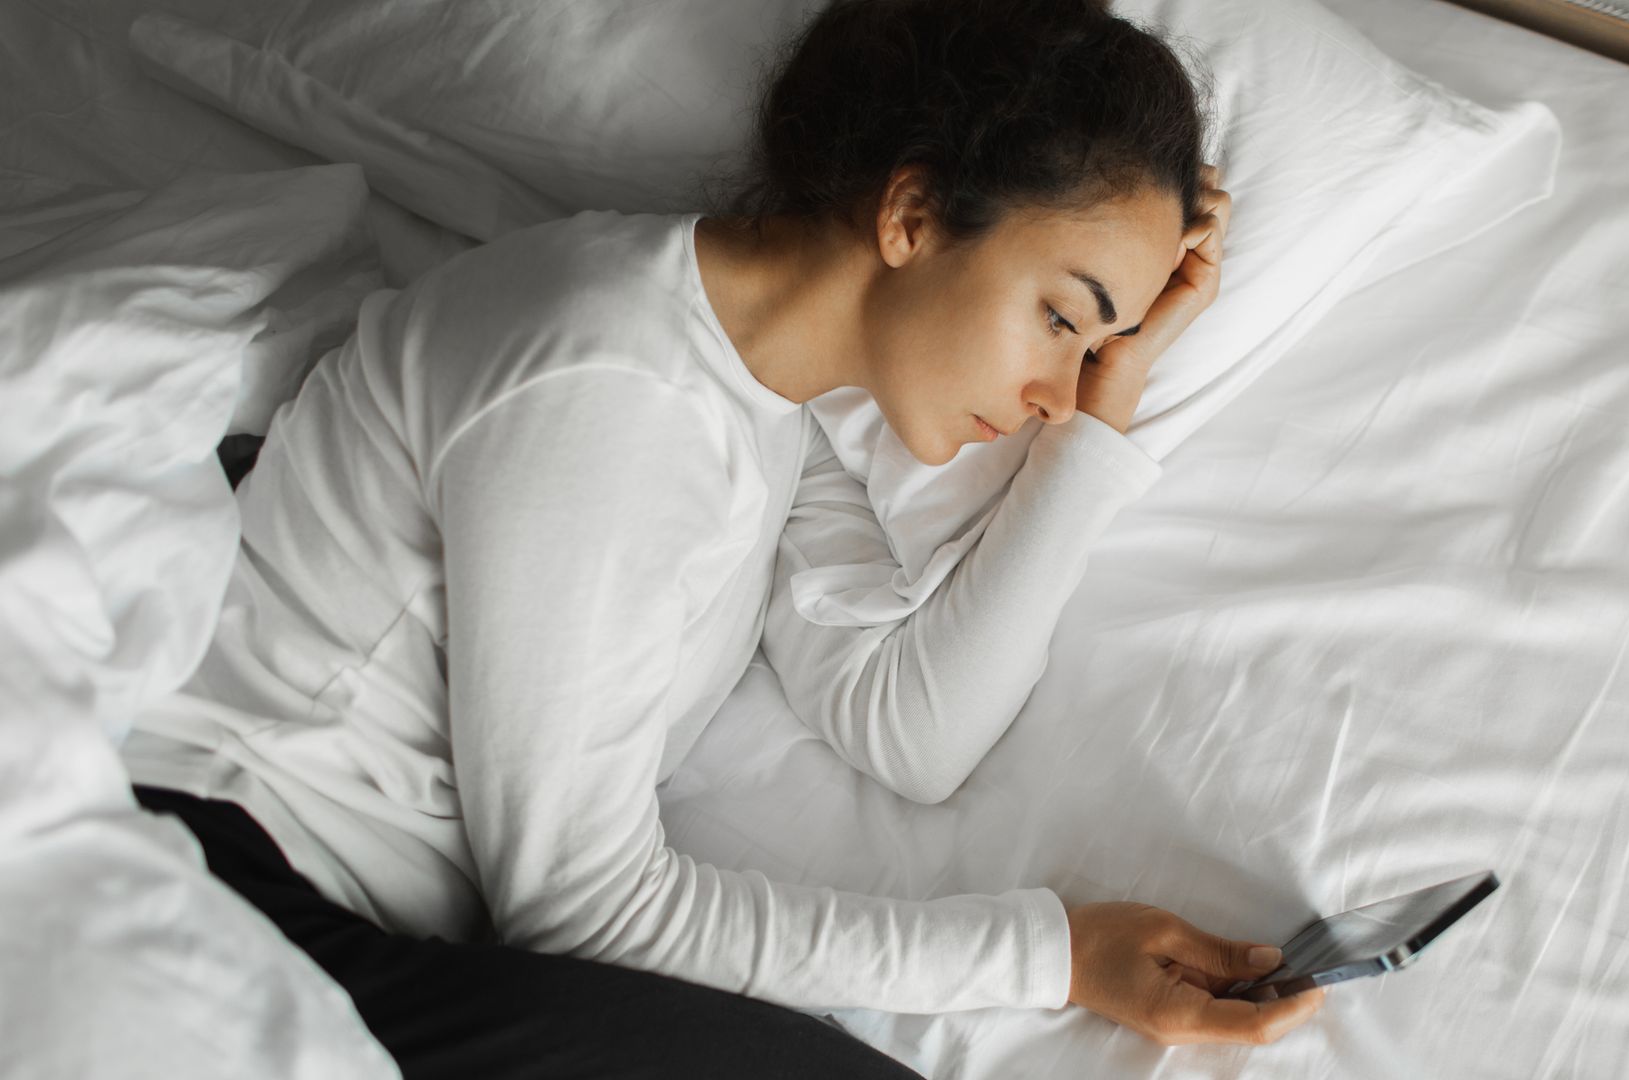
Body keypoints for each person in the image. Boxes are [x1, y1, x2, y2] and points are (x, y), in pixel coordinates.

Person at [120, 0, 1325, 1074]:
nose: (1054, 387)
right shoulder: (614, 383)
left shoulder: (775, 411)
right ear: (911, 213)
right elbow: (581, 913)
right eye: (1062, 317)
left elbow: (910, 734)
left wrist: (1103, 417)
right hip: (233, 888)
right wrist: (1050, 956)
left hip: (367, 931)